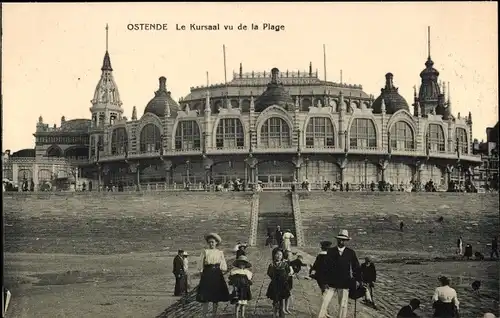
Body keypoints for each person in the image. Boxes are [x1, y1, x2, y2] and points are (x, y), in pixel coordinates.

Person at [319, 229, 361, 318]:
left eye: (343, 240)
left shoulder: (350, 253)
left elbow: (356, 267)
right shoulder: (330, 251)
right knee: (324, 302)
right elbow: (325, 267)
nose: (341, 241)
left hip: (344, 282)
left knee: (343, 305)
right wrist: (323, 282)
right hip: (331, 282)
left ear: (346, 241)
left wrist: (358, 280)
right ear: (337, 240)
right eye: (340, 239)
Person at [197, 233, 230, 317]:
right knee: (205, 295)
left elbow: (223, 265)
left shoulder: (220, 252)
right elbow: (200, 264)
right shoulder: (205, 252)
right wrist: (202, 274)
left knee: (216, 296)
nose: (211, 244)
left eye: (213, 242)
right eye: (209, 242)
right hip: (207, 274)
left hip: (216, 274)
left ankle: (214, 314)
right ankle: (204, 315)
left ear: (216, 243)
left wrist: (220, 272)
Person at [310, 241, 334, 318]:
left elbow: (314, 266)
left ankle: (324, 312)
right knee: (325, 295)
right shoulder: (329, 256)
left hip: (320, 278)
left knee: (324, 293)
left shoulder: (319, 256)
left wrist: (312, 273)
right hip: (326, 278)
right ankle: (322, 313)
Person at [266, 248, 292, 318]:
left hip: (283, 285)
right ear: (274, 255)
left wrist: (284, 279)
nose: (278, 256)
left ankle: (281, 313)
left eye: (280, 254)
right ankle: (274, 313)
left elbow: (288, 272)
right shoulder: (271, 265)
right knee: (275, 301)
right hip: (274, 284)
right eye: (277, 254)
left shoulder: (285, 264)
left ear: (282, 256)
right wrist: (275, 279)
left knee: (282, 300)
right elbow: (269, 273)